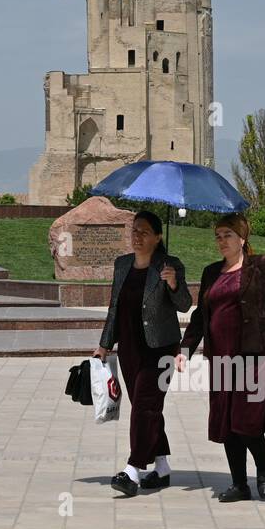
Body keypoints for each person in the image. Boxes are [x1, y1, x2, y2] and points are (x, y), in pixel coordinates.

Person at [175, 214, 265, 502]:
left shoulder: (261, 266)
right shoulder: (210, 272)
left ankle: (264, 467)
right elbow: (200, 317)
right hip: (221, 359)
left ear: (242, 238)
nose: (221, 241)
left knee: (248, 419)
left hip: (255, 356)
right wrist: (183, 351)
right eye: (217, 236)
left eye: (227, 235)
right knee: (227, 421)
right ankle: (240, 484)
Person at [94, 211, 191, 497]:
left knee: (144, 408)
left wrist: (173, 284)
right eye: (134, 230)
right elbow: (114, 308)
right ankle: (161, 467)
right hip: (130, 349)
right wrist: (105, 344)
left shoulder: (170, 265)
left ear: (158, 237)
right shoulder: (122, 264)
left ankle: (133, 469)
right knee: (147, 408)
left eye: (145, 232)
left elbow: (185, 304)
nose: (137, 236)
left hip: (160, 348)